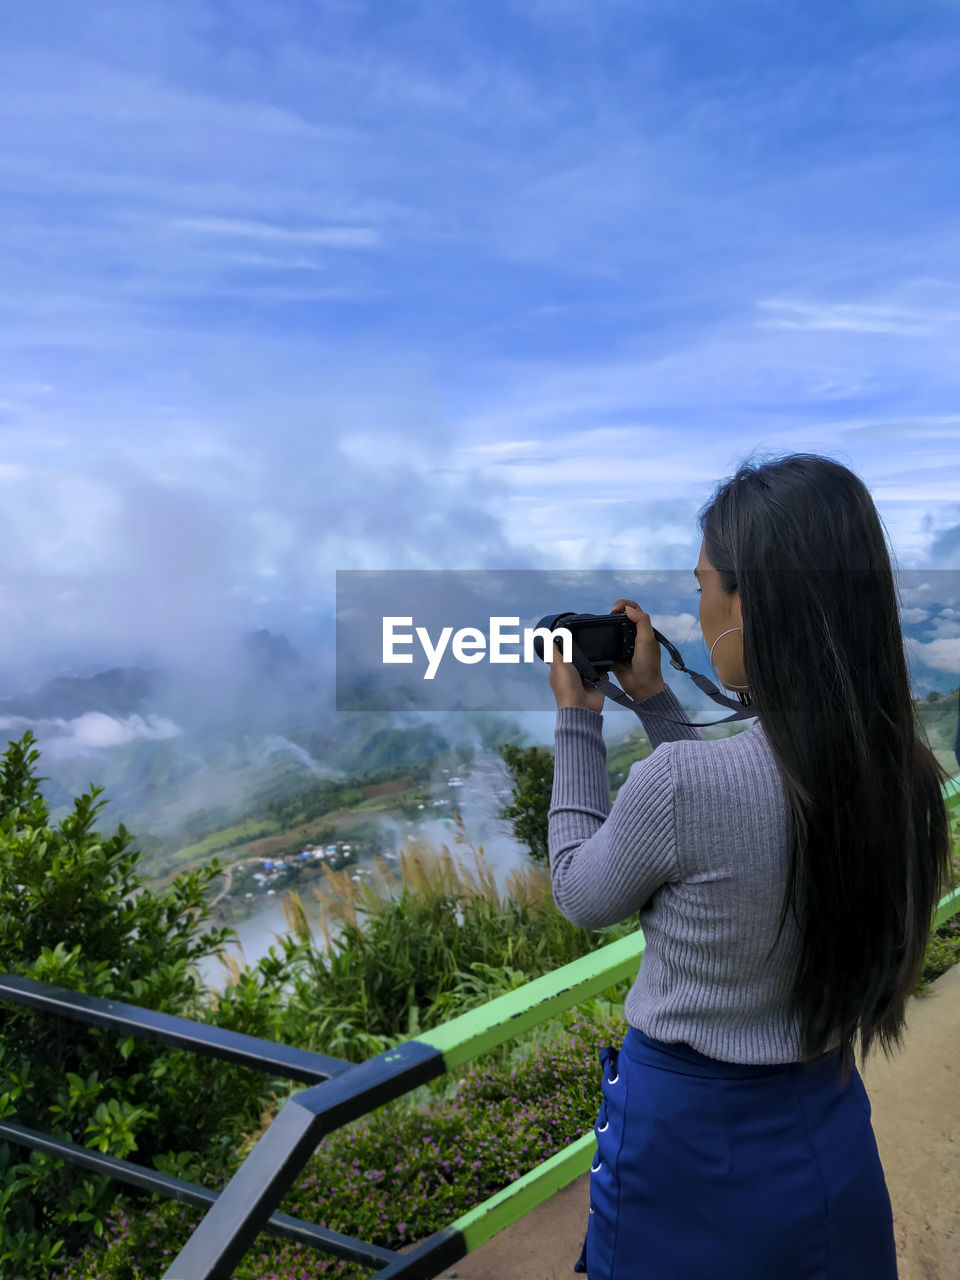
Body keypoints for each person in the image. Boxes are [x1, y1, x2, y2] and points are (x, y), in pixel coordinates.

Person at [545, 451, 953, 1280]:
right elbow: (736, 812)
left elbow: (579, 891)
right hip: (827, 1143)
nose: (695, 613)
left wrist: (578, 721)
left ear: (751, 603)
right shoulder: (908, 776)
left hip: (684, 1154)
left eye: (704, 588)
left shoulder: (685, 787)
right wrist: (658, 702)